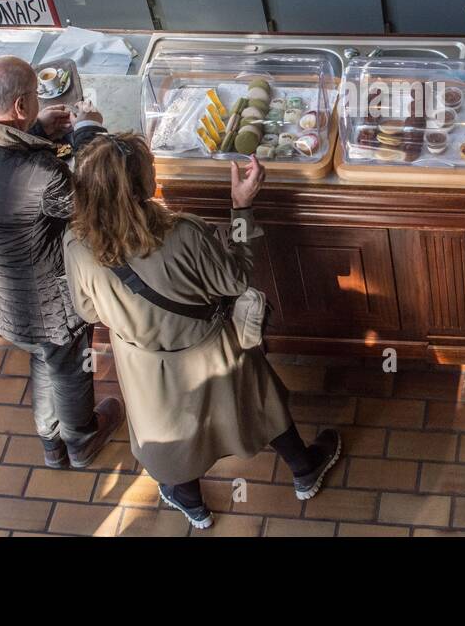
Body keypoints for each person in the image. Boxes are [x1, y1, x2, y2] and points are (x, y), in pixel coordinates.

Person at [62, 133, 341, 530]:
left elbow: (88, 311)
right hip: (210, 346)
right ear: (143, 186)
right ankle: (304, 469)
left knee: (167, 434)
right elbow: (238, 278)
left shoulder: (76, 244)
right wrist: (242, 208)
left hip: (143, 363)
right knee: (259, 405)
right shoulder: (184, 232)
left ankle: (192, 502)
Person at [0, 55, 124, 470]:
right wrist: (88, 131)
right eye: (34, 98)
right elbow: (90, 202)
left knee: (44, 357)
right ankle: (81, 440)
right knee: (68, 364)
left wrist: (35, 131)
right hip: (43, 305)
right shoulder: (41, 175)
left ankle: (51, 442)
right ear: (20, 105)